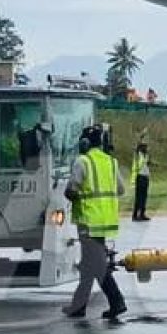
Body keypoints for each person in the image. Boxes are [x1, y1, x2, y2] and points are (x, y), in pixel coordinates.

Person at [62, 125, 127, 322]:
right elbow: (121, 189)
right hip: (105, 221)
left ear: (85, 143)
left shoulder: (83, 161)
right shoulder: (111, 162)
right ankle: (78, 306)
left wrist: (74, 194)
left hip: (88, 220)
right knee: (89, 264)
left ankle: (117, 301)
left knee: (97, 265)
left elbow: (71, 190)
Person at [130, 138, 152, 221]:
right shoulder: (138, 155)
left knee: (144, 197)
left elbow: (145, 164)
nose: (146, 148)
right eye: (144, 147)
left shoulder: (145, 156)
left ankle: (142, 214)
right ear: (140, 148)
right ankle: (135, 215)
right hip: (139, 177)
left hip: (145, 177)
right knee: (139, 197)